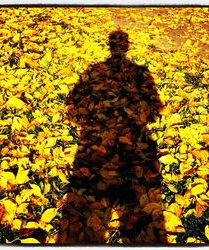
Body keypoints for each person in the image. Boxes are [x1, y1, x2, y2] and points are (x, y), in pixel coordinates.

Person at [64, 30, 164, 243]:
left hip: (94, 152)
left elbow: (73, 102)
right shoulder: (141, 73)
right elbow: (155, 109)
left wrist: (92, 117)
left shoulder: (95, 70)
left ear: (110, 46)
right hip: (132, 153)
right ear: (126, 46)